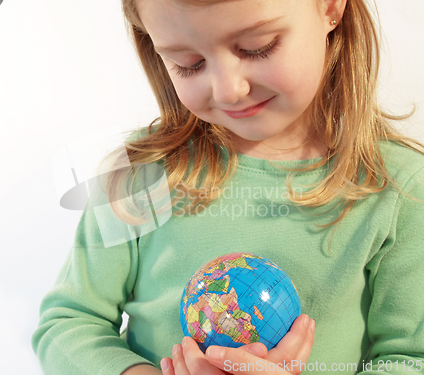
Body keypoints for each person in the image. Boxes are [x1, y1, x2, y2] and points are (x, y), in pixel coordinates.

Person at [31, 0, 424, 374]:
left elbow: (412, 358)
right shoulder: (138, 176)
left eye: (257, 47)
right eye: (189, 64)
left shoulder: (400, 189)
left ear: (330, 7)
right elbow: (68, 322)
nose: (227, 90)